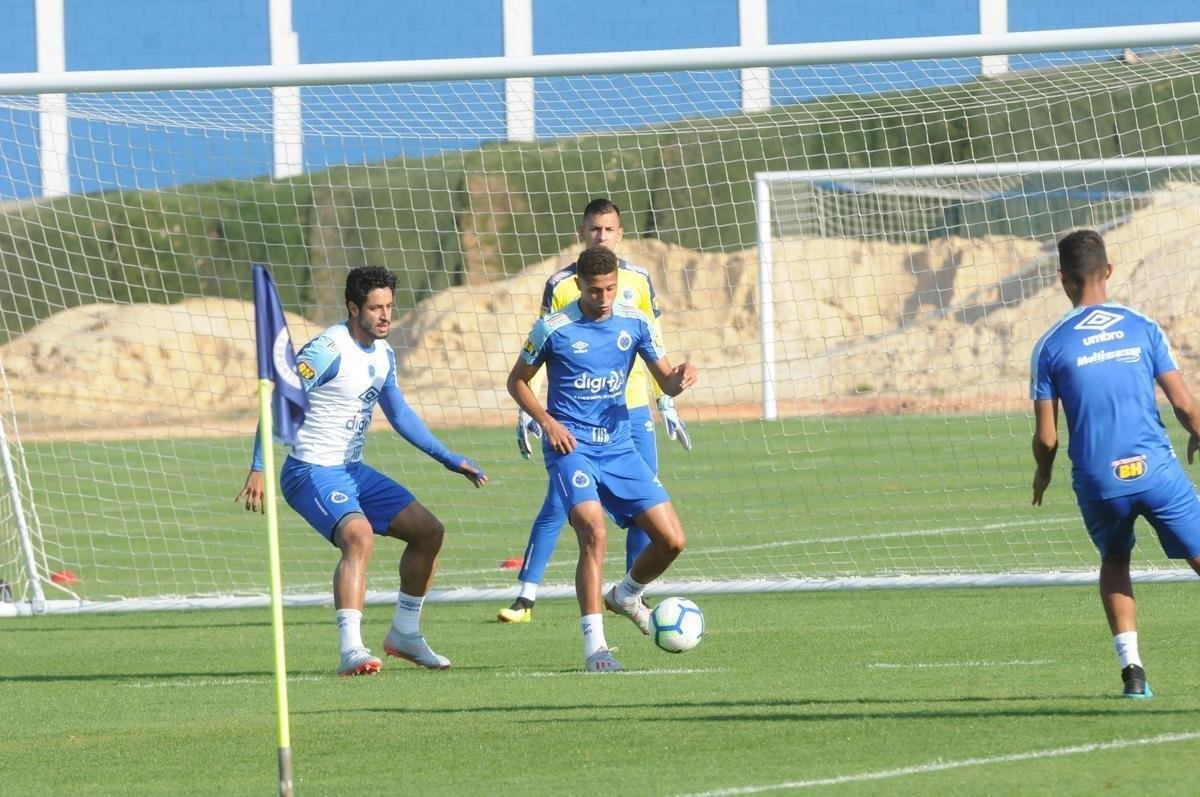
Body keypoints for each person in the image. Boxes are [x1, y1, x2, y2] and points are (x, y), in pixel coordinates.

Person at [235, 265, 488, 676]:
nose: (385, 315)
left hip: (352, 470)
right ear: (353, 308)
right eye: (375, 308)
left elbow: (400, 413)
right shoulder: (325, 351)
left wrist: (447, 457)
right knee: (359, 536)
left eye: (389, 306)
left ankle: (404, 634)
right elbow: (277, 398)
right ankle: (351, 649)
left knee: (429, 532)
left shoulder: (383, 354)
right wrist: (259, 466)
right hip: (309, 470)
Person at [498, 197, 692, 624]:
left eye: (609, 228)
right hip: (571, 431)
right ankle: (534, 600)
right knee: (583, 522)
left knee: (660, 528)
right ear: (582, 232)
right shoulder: (558, 297)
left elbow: (660, 361)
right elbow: (527, 367)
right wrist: (537, 416)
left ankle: (629, 594)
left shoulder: (637, 293)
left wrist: (671, 391)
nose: (603, 298)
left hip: (629, 418)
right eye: (594, 228)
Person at [1030, 228, 1200, 698]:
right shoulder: (1143, 327)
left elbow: (1047, 437)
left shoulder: (1050, 346)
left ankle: (1134, 674)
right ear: (1108, 270)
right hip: (1157, 472)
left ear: (1061, 278)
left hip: (1099, 481)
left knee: (1115, 562)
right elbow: (1186, 406)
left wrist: (1042, 471)